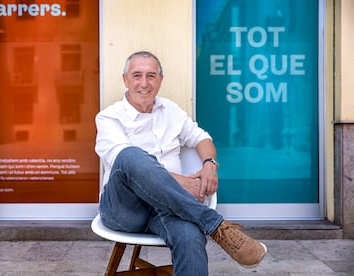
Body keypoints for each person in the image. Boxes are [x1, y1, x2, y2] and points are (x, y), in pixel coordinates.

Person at [95, 51, 267, 275]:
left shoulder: (171, 111)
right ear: (125, 80)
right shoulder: (109, 117)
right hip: (126, 209)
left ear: (161, 80)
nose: (144, 83)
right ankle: (215, 225)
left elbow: (201, 138)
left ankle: (208, 226)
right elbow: (123, 160)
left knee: (190, 235)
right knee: (130, 156)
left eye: (151, 76)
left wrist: (210, 164)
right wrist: (182, 185)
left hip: (170, 208)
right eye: (137, 76)